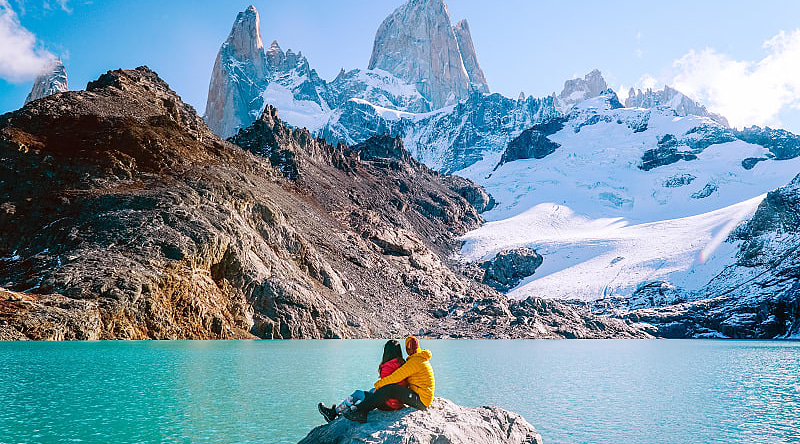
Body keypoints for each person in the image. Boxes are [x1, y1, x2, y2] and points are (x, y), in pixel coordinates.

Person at [342, 336, 435, 424]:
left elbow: (395, 377)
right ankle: (360, 410)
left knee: (390, 389)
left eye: (411, 347)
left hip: (421, 401)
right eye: (410, 347)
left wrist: (378, 385)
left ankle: (360, 411)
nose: (410, 349)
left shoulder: (415, 362)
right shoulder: (418, 359)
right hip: (421, 397)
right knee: (390, 389)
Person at [317, 339, 408, 422]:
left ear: (386, 352)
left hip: (389, 403)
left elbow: (385, 387)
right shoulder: (402, 364)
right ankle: (350, 409)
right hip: (398, 401)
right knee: (371, 391)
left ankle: (334, 413)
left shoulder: (388, 366)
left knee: (357, 394)